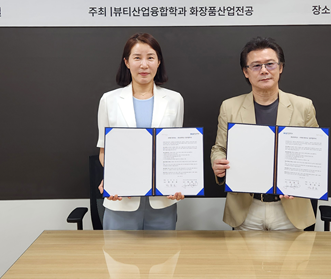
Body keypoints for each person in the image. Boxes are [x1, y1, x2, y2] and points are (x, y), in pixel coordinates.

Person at [210, 37, 317, 231]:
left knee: (295, 253)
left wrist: (301, 182)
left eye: (270, 64)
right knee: (241, 253)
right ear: (246, 72)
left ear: (280, 67)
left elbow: (314, 154)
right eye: (256, 66)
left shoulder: (303, 106)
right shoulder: (229, 106)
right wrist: (217, 161)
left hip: (291, 208)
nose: (264, 70)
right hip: (246, 208)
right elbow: (219, 148)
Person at [97, 33, 185, 230]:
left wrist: (179, 181)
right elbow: (104, 151)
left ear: (158, 62)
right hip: (121, 199)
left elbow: (176, 150)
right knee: (118, 251)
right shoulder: (109, 100)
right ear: (127, 62)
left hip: (162, 200)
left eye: (150, 57)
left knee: (163, 251)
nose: (144, 65)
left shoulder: (175, 100)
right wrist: (112, 178)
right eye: (137, 58)